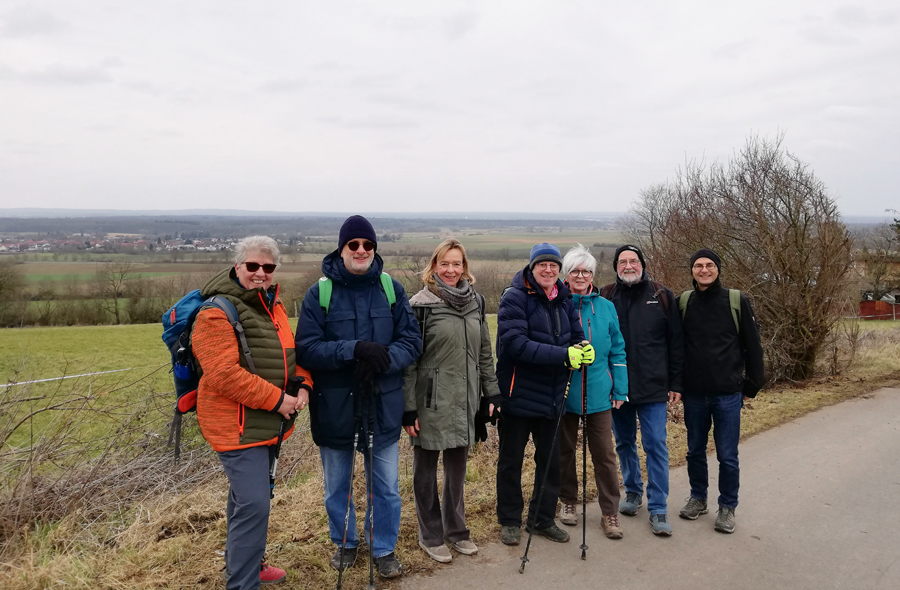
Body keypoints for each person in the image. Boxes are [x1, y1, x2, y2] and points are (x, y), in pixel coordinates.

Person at [296, 215, 421, 578]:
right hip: (335, 406)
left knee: (386, 487)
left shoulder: (391, 289)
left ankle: (383, 548)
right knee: (338, 486)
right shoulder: (319, 293)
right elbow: (306, 349)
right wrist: (354, 350)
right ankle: (346, 543)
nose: (361, 250)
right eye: (354, 245)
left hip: (383, 403)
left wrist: (383, 359)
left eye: (368, 245)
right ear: (342, 248)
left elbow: (411, 341)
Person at [191, 235, 313, 590]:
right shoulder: (216, 312)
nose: (260, 273)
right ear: (237, 266)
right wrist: (279, 401)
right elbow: (224, 375)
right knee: (255, 504)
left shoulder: (271, 306)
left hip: (268, 423)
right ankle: (243, 583)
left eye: (268, 267)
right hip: (236, 427)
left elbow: (291, 356)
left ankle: (247, 564)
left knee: (245, 501)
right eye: (253, 266)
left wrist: (304, 384)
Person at [402, 239, 500, 563]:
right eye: (445, 263)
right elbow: (409, 362)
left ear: (465, 268)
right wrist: (408, 408)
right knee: (426, 472)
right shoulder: (421, 306)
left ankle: (456, 531)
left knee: (457, 470)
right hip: (430, 400)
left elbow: (485, 352)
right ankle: (430, 535)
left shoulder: (476, 303)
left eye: (457, 264)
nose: (451, 270)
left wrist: (492, 392)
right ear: (433, 266)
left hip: (466, 399)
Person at [493, 242, 594, 546]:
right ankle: (510, 520)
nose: (548, 270)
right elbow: (515, 345)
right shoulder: (515, 297)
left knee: (550, 461)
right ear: (532, 267)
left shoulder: (564, 300)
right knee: (511, 461)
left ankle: (542, 518)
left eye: (553, 265)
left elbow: (577, 337)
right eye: (542, 265)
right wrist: (565, 356)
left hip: (553, 397)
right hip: (517, 395)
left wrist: (584, 349)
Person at [678, 248, 764, 534]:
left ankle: (727, 506)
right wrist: (676, 384)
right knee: (694, 451)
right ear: (692, 270)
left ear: (718, 269)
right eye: (698, 266)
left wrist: (752, 384)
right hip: (694, 393)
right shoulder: (684, 302)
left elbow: (753, 344)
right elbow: (677, 348)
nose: (704, 270)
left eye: (709, 265)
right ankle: (698, 498)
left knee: (727, 455)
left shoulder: (736, 300)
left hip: (728, 393)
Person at [601, 245, 684, 536]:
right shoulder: (606, 295)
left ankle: (659, 507)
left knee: (655, 445)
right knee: (623, 443)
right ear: (616, 266)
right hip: (617, 389)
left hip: (653, 386)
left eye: (633, 261)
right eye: (622, 261)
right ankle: (633, 491)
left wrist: (676, 383)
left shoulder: (661, 295)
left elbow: (675, 342)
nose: (628, 266)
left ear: (642, 265)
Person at [557, 245, 628, 539]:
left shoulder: (606, 307)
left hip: (599, 390)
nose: (581, 276)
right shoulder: (557, 304)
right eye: (575, 270)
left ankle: (610, 512)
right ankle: (568, 502)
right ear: (566, 274)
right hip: (564, 390)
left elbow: (618, 349)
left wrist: (620, 388)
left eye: (586, 271)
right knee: (564, 452)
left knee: (605, 456)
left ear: (593, 275)